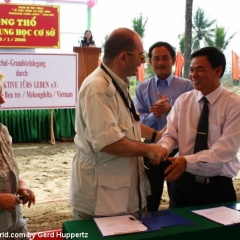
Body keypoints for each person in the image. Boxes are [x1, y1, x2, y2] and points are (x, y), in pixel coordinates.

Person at [69, 28, 164, 220]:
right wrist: (149, 150)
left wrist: (156, 136)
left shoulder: (118, 82)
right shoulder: (97, 87)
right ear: (123, 58)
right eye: (141, 56)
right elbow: (109, 142)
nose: (143, 61)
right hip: (101, 200)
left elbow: (131, 122)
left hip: (119, 191)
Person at [156, 46, 240, 208]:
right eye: (192, 70)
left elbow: (225, 150)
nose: (193, 75)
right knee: (179, 231)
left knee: (217, 233)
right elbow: (170, 135)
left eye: (200, 70)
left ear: (218, 71)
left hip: (217, 187)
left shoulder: (234, 105)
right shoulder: (183, 101)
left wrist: (187, 161)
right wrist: (163, 149)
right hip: (182, 184)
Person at [134, 41, 193, 211]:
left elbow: (192, 117)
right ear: (150, 62)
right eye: (156, 59)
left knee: (180, 197)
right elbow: (137, 122)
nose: (160, 62)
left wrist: (171, 108)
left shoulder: (187, 86)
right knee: (150, 198)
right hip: (151, 148)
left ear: (173, 60)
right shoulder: (141, 88)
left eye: (165, 58)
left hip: (179, 149)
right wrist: (155, 114)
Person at [0, 72, 35, 239]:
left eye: (2, 93)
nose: (2, 100)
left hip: (13, 223)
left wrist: (21, 184)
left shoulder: (3, 131)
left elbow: (8, 170)